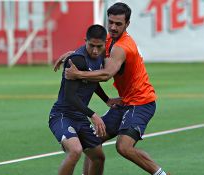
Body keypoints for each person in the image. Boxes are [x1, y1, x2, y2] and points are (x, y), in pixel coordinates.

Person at [57, 2, 170, 175]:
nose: (113, 27)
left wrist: (77, 74)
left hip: (141, 102)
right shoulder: (108, 39)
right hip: (125, 102)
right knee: (93, 142)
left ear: (127, 25)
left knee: (123, 147)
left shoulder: (123, 47)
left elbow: (106, 74)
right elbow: (93, 49)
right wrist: (73, 54)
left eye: (118, 24)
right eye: (110, 22)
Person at [49, 24, 122, 175]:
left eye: (99, 46)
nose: (95, 50)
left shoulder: (102, 56)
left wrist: (107, 100)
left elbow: (92, 81)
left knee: (98, 157)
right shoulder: (77, 60)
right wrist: (93, 115)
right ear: (85, 41)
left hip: (79, 118)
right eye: (91, 46)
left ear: (104, 44)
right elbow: (70, 97)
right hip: (62, 115)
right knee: (75, 151)